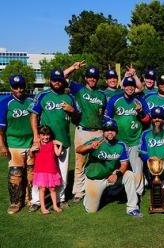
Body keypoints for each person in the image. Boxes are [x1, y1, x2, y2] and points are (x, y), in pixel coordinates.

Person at [29, 68, 80, 211]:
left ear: (63, 81)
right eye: (54, 80)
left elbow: (77, 118)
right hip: (45, 142)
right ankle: (36, 201)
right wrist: (36, 137)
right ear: (50, 80)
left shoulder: (69, 97)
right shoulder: (42, 95)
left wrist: (72, 110)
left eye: (59, 80)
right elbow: (33, 116)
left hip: (63, 141)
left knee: (62, 174)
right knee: (40, 172)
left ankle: (61, 199)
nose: (57, 82)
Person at [76, 119, 142, 216]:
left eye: (112, 130)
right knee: (91, 210)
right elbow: (78, 149)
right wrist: (90, 147)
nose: (110, 132)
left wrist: (117, 174)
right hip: (95, 178)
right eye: (107, 130)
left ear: (116, 132)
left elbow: (124, 164)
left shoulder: (121, 145)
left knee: (130, 175)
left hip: (111, 176)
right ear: (103, 132)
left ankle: (132, 208)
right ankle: (95, 195)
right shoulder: (96, 142)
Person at [64, 63, 107, 203]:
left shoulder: (101, 95)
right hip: (82, 131)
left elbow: (103, 114)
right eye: (89, 76)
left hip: (98, 132)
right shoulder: (79, 89)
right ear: (86, 77)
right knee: (80, 162)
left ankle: (97, 188)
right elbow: (61, 77)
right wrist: (72, 68)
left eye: (94, 77)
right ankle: (78, 191)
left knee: (99, 162)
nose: (92, 79)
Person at [0, 74, 34, 214]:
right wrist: (1, 145)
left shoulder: (31, 100)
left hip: (31, 144)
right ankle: (15, 202)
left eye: (21, 86)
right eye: (15, 87)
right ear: (11, 87)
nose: (19, 89)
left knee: (31, 175)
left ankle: (30, 200)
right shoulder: (5, 103)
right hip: (14, 144)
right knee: (15, 174)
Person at [105, 76, 151, 196]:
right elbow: (107, 118)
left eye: (132, 86)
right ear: (123, 87)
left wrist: (140, 112)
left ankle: (138, 192)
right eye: (127, 85)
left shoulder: (140, 100)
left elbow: (147, 120)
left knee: (137, 168)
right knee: (117, 167)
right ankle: (115, 189)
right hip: (119, 141)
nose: (130, 88)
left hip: (135, 140)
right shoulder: (115, 99)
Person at [29, 125, 63, 214]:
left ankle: (55, 206)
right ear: (39, 135)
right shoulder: (37, 144)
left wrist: (60, 145)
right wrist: (31, 150)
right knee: (42, 189)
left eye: (47, 135)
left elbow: (58, 154)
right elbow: (31, 156)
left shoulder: (53, 143)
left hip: (51, 170)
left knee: (52, 189)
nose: (45, 137)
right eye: (43, 135)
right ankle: (43, 208)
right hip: (40, 171)